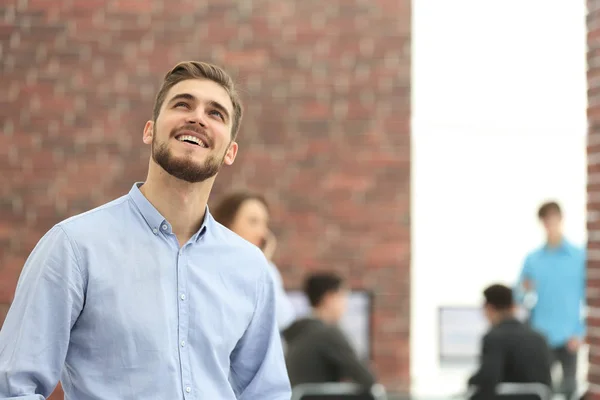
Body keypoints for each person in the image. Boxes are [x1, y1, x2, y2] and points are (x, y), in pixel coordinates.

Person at [0, 61, 291, 399]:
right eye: (182, 104)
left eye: (216, 114)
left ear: (230, 152)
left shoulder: (250, 267)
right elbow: (13, 388)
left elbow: (266, 393)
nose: (197, 117)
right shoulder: (74, 247)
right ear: (149, 130)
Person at [517, 201, 586, 400]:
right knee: (541, 389)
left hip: (569, 336)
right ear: (542, 223)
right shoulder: (533, 259)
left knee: (571, 390)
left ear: (561, 219)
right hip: (541, 336)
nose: (550, 224)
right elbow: (519, 297)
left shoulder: (578, 257)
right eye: (546, 220)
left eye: (553, 219)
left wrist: (580, 332)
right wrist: (525, 288)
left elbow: (590, 300)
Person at [212, 191, 296, 331]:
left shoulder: (267, 267)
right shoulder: (213, 267)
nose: (262, 233)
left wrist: (263, 264)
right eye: (253, 222)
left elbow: (284, 318)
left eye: (265, 223)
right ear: (227, 224)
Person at [283, 272, 375, 388]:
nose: (345, 304)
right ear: (329, 297)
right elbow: (366, 378)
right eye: (343, 296)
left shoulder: (297, 331)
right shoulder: (328, 334)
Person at [468, 284, 552, 400]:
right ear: (513, 307)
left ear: (489, 308)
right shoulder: (539, 338)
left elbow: (488, 382)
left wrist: (470, 382)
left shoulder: (493, 338)